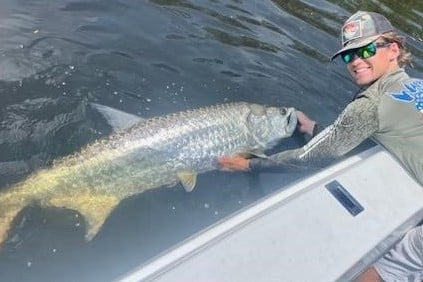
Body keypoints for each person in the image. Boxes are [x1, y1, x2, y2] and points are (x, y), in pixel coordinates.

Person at [219, 10, 423, 281]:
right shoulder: (417, 85)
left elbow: (310, 157)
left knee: (369, 274)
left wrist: (247, 164)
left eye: (367, 50)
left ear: (393, 49)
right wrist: (313, 129)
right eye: (349, 55)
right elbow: (354, 139)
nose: (356, 61)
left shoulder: (370, 104)